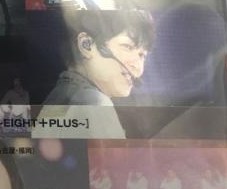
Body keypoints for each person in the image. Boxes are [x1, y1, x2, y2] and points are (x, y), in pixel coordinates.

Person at [38, 10, 155, 139]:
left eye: (142, 55)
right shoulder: (94, 102)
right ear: (86, 45)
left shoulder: (63, 95)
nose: (138, 67)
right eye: (127, 47)